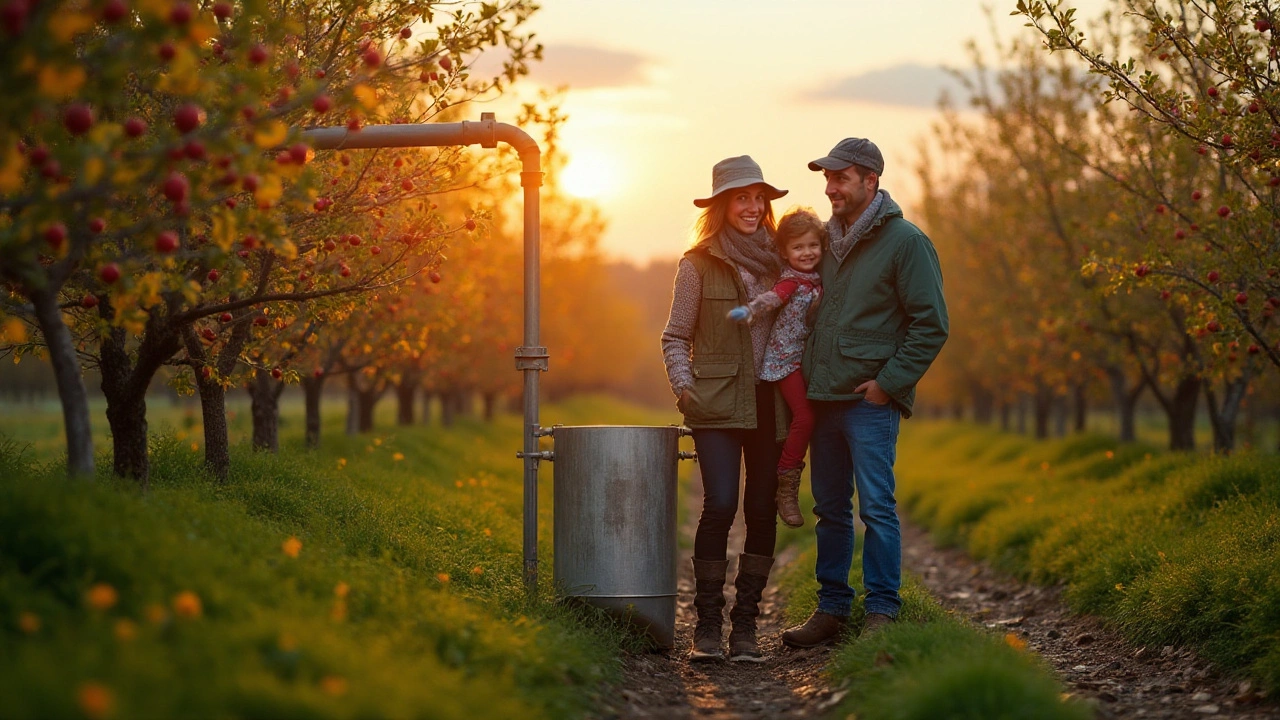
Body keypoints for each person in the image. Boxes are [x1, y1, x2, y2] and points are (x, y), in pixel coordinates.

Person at [781, 138, 949, 648]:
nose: (830, 188)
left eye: (841, 178)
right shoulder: (823, 241)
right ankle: (831, 608)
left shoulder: (906, 242)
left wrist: (889, 385)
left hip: (866, 402)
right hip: (822, 399)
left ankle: (882, 610)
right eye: (827, 179)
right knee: (830, 509)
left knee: (876, 506)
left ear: (870, 180)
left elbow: (931, 324)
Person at [661, 155, 790, 663]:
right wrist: (684, 388)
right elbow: (674, 336)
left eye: (759, 198)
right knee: (719, 506)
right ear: (721, 204)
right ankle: (708, 626)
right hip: (714, 402)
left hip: (769, 402)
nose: (754, 207)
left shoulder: (783, 262)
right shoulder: (697, 265)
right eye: (742, 197)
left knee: (761, 510)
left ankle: (745, 628)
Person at [727, 207, 825, 529]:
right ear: (784, 252)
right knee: (805, 415)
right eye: (798, 248)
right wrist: (750, 310)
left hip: (805, 357)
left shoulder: (818, 276)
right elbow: (773, 298)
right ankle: (787, 481)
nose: (807, 253)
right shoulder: (792, 280)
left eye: (813, 245)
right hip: (785, 360)